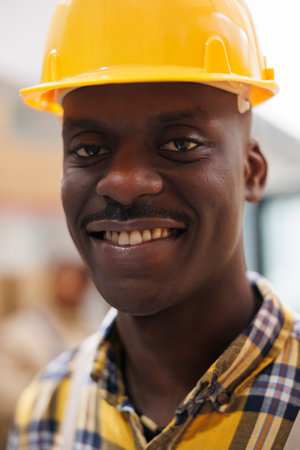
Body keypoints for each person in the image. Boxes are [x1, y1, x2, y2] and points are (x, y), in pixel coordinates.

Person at [8, 0, 300, 448]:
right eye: (88, 149)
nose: (123, 184)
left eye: (180, 143)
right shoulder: (47, 411)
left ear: (252, 172)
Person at [0, 262, 91, 447]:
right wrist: (59, 400)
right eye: (66, 281)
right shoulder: (20, 329)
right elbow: (5, 394)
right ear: (53, 282)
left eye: (77, 283)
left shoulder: (87, 332)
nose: (71, 288)